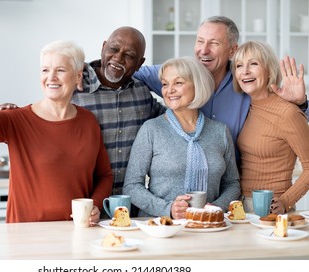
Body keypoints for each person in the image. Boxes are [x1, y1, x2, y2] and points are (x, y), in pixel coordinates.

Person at [0, 40, 113, 223]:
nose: (51, 77)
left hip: (74, 230)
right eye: (45, 70)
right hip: (24, 234)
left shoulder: (88, 122)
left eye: (60, 70)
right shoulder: (17, 119)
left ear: (77, 77)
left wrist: (95, 205)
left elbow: (104, 175)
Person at [0, 27, 166, 201]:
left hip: (128, 208)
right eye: (113, 49)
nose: (118, 58)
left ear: (140, 63)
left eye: (129, 56)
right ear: (103, 47)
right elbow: (43, 117)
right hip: (81, 205)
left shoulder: (142, 92)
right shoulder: (75, 84)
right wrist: (15, 116)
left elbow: (174, 120)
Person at [134, 16, 308, 163]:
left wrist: (300, 104)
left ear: (232, 51)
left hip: (236, 185)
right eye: (200, 41)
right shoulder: (178, 76)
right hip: (184, 184)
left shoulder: (246, 80)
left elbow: (286, 117)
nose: (204, 50)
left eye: (214, 43)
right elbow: (130, 71)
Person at [123, 57, 240, 219]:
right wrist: (168, 208)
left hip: (208, 227)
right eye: (165, 84)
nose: (169, 90)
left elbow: (232, 184)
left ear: (197, 85)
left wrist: (216, 208)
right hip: (161, 228)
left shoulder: (220, 132)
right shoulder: (151, 130)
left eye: (178, 83)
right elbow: (131, 187)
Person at [231, 40, 309, 214]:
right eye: (239, 65)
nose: (245, 71)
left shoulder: (286, 112)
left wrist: (285, 201)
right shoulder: (245, 107)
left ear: (269, 70)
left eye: (253, 63)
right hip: (241, 206)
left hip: (273, 207)